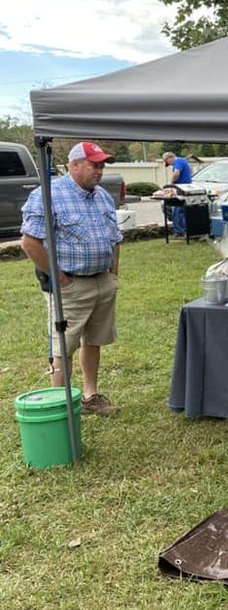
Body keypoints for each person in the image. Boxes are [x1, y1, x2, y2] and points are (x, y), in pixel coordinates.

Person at [20, 141, 123, 417]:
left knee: (93, 340)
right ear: (74, 165)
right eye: (94, 165)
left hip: (102, 280)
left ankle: (90, 396)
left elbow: (115, 238)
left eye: (102, 166)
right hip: (71, 285)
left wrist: (113, 273)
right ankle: (61, 406)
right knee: (63, 347)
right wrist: (61, 279)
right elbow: (30, 243)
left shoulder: (102, 196)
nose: (99, 171)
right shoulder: (49, 195)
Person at [162, 151, 192, 236]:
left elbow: (176, 174)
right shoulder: (183, 161)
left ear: (169, 158)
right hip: (186, 188)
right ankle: (185, 231)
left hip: (181, 189)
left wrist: (171, 183)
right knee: (183, 212)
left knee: (177, 211)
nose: (169, 164)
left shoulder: (178, 162)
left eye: (167, 161)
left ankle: (179, 231)